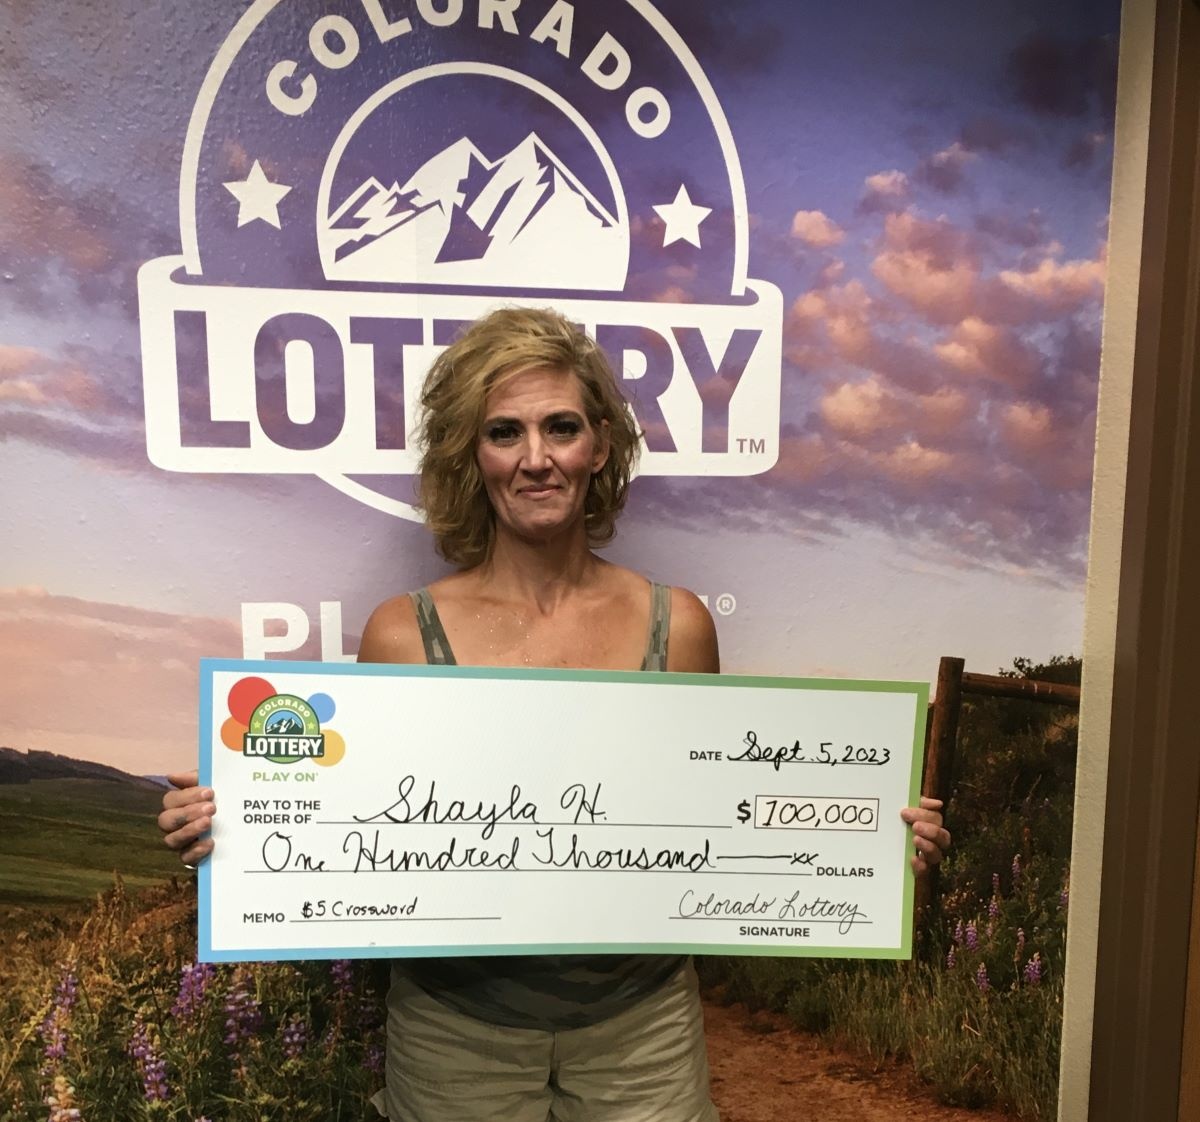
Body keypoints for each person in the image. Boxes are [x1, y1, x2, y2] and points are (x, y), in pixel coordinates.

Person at [158, 307, 951, 1122]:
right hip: (452, 1032)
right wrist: (232, 828)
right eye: (505, 432)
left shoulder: (675, 626)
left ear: (599, 445)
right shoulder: (403, 634)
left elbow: (720, 818)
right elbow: (353, 826)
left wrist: (868, 845)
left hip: (643, 1033)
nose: (535, 459)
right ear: (474, 452)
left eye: (560, 427)